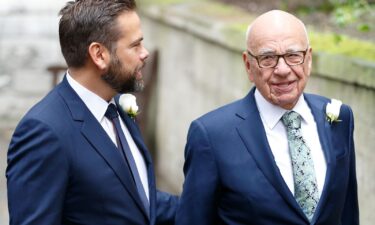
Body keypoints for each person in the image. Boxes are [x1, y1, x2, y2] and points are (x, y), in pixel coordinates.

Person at [176, 10, 359, 225]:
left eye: (293, 55)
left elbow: (347, 212)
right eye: (268, 58)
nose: (282, 70)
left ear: (308, 59)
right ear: (248, 65)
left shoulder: (339, 119)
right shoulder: (211, 136)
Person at [6, 0, 177, 224]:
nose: (144, 53)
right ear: (99, 55)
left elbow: (135, 199)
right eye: (135, 45)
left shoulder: (117, 108)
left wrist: (215, 202)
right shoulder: (44, 132)